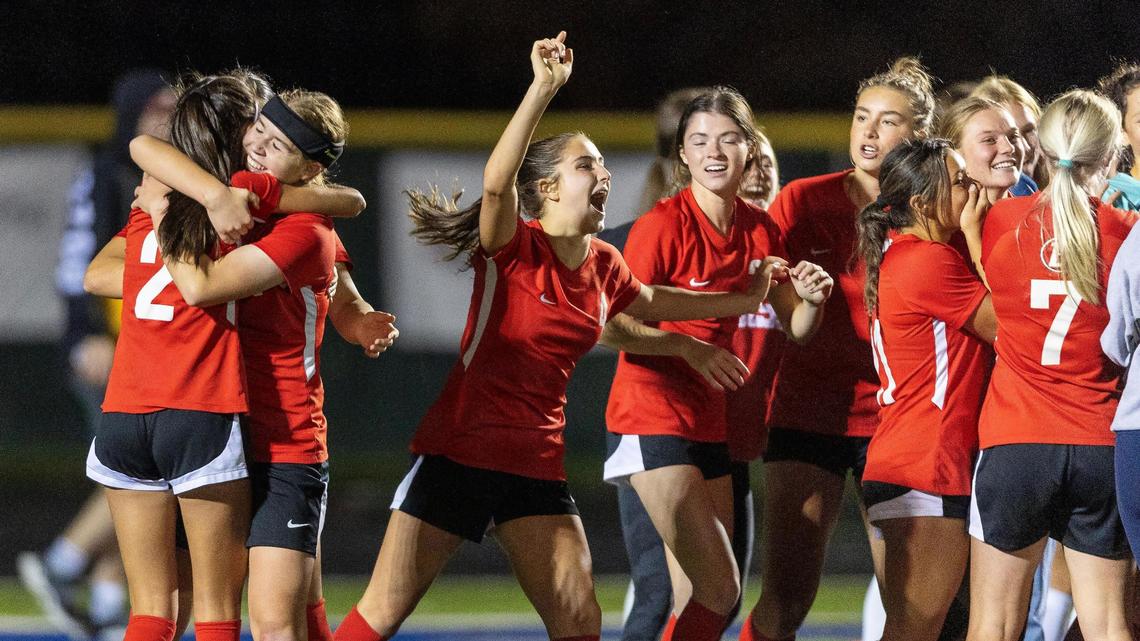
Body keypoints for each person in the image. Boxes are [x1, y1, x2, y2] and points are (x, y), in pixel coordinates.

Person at [330, 32, 785, 641]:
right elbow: (496, 184)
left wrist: (741, 301)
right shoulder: (513, 246)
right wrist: (542, 89)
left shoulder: (602, 261)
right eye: (585, 164)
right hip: (458, 455)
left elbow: (651, 303)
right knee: (381, 613)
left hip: (536, 465)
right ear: (547, 189)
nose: (601, 172)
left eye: (601, 163)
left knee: (579, 622)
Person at [129, 86, 388, 641]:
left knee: (272, 623)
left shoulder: (302, 228)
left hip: (284, 439)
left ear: (311, 165)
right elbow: (142, 152)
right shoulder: (226, 194)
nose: (259, 147)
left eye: (278, 144)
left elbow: (336, 287)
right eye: (259, 132)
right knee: (236, 606)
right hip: (217, 428)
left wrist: (358, 316)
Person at [603, 86, 831, 641]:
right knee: (712, 589)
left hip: (714, 425)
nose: (714, 151)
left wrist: (815, 302)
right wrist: (688, 346)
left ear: (750, 149)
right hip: (651, 417)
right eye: (700, 140)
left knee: (712, 601)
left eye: (728, 139)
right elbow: (612, 325)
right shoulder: (661, 225)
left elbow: (795, 326)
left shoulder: (760, 229)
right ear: (681, 153)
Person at [741, 56, 937, 641]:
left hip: (900, 424)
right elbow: (778, 310)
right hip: (809, 416)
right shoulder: (802, 201)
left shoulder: (935, 213)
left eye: (888, 121)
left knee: (910, 609)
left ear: (918, 137)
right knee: (786, 600)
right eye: (861, 117)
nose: (869, 132)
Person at [971, 89, 1135, 641]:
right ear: (1111, 158)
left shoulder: (1004, 222)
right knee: (1109, 623)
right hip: (1099, 440)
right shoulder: (1126, 233)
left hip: (1016, 440)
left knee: (993, 625)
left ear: (1041, 150)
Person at [18, 69, 174, 641]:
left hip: (152, 346)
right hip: (115, 347)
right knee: (141, 471)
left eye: (171, 107)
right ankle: (63, 563)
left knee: (133, 470)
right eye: (154, 108)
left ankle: (110, 599)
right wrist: (86, 335)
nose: (164, 117)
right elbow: (78, 264)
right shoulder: (110, 174)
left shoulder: (169, 171)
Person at [856, 137, 996, 641]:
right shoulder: (926, 260)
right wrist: (979, 241)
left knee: (920, 627)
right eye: (959, 182)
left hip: (910, 459)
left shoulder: (907, 253)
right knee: (916, 629)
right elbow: (1009, 326)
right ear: (921, 203)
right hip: (927, 465)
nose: (971, 189)